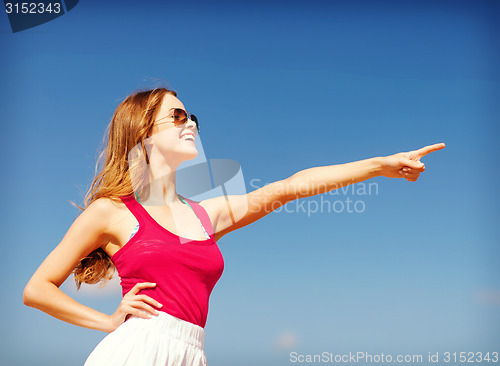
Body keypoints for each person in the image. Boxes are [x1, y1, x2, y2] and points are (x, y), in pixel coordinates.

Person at [23, 87, 445, 366]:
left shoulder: (208, 215)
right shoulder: (111, 212)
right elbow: (37, 289)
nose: (191, 123)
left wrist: (378, 166)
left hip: (193, 352)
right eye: (178, 114)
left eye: (193, 117)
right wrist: (108, 321)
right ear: (142, 130)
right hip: (138, 349)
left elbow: (290, 186)